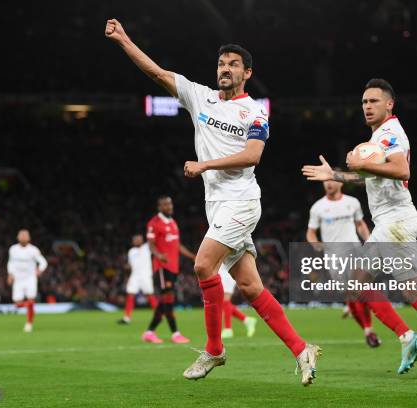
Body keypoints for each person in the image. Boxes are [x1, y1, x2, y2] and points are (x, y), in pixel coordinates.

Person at [106, 19, 320, 385]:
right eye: (222, 63)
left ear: (247, 73)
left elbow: (253, 155)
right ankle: (302, 349)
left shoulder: (254, 111)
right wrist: (124, 39)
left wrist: (204, 163)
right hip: (217, 204)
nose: (225, 68)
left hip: (242, 201)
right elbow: (156, 73)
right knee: (251, 288)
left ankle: (215, 350)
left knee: (204, 266)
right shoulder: (198, 96)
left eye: (234, 64)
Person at [302, 78, 417, 382]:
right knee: (361, 284)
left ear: (389, 104)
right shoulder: (377, 138)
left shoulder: (392, 132)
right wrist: (336, 175)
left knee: (409, 289)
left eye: (373, 101)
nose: (367, 107)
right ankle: (409, 337)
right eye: (364, 102)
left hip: (396, 222)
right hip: (388, 223)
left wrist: (363, 166)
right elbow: (368, 179)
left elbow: (402, 170)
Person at [306, 178, 380, 347]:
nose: (329, 184)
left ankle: (369, 329)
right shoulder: (318, 207)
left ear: (341, 183)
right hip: (333, 256)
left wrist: (369, 241)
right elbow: (310, 232)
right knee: (349, 294)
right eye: (325, 181)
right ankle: (366, 329)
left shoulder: (352, 202)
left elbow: (360, 224)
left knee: (360, 290)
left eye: (332, 180)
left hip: (354, 250)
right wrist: (315, 243)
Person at [142, 196, 195, 344]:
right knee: (168, 300)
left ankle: (149, 332)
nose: (169, 206)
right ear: (159, 207)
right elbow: (151, 244)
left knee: (165, 301)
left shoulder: (172, 222)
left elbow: (177, 245)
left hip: (173, 267)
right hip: (161, 267)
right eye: (165, 204)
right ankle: (175, 333)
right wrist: (159, 255)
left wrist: (192, 256)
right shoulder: (154, 223)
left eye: (170, 203)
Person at [7, 229, 47, 333]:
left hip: (30, 278)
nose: (23, 237)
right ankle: (30, 304)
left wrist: (39, 270)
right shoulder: (13, 249)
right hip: (18, 279)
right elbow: (10, 263)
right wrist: (10, 274)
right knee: (17, 303)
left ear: (29, 238)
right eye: (21, 235)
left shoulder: (33, 250)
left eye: (25, 235)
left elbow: (43, 262)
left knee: (31, 298)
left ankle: (29, 323)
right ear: (18, 237)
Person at [118, 234, 158, 325]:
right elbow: (131, 265)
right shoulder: (131, 251)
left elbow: (153, 240)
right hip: (135, 276)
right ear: (133, 242)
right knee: (130, 294)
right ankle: (126, 318)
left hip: (145, 275)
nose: (137, 241)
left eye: (139, 239)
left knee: (150, 295)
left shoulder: (147, 247)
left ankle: (158, 315)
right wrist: (126, 267)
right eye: (136, 239)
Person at [218, 263, 257, 339]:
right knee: (224, 303)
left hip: (227, 272)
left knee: (225, 301)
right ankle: (247, 320)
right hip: (222, 271)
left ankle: (228, 329)